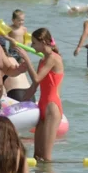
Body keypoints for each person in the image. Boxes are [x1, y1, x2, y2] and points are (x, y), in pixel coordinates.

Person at [21, 28, 64, 162]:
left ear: (43, 42)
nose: (31, 46)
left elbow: (37, 78)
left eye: (34, 43)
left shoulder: (53, 58)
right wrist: (19, 105)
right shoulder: (42, 61)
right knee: (37, 156)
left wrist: (27, 60)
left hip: (52, 107)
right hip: (42, 106)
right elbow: (34, 87)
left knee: (46, 157)